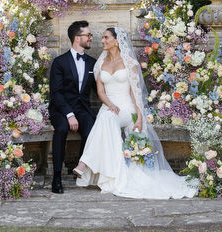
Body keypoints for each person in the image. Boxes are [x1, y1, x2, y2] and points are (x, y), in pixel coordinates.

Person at [72, 27, 199, 199]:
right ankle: (108, 173)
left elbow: (135, 92)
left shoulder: (129, 62)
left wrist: (139, 117)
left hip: (126, 106)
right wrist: (110, 104)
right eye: (102, 37)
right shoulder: (99, 64)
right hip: (109, 106)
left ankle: (84, 163)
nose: (102, 41)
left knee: (105, 118)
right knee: (106, 117)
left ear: (116, 41)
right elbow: (100, 92)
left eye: (106, 37)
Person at [48, 20, 97, 193]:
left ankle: (80, 169)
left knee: (92, 128)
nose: (91, 38)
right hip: (61, 109)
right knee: (61, 129)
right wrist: (69, 114)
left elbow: (99, 90)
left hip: (82, 108)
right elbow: (56, 93)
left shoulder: (93, 63)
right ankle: (57, 177)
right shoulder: (60, 62)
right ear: (77, 38)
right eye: (88, 35)